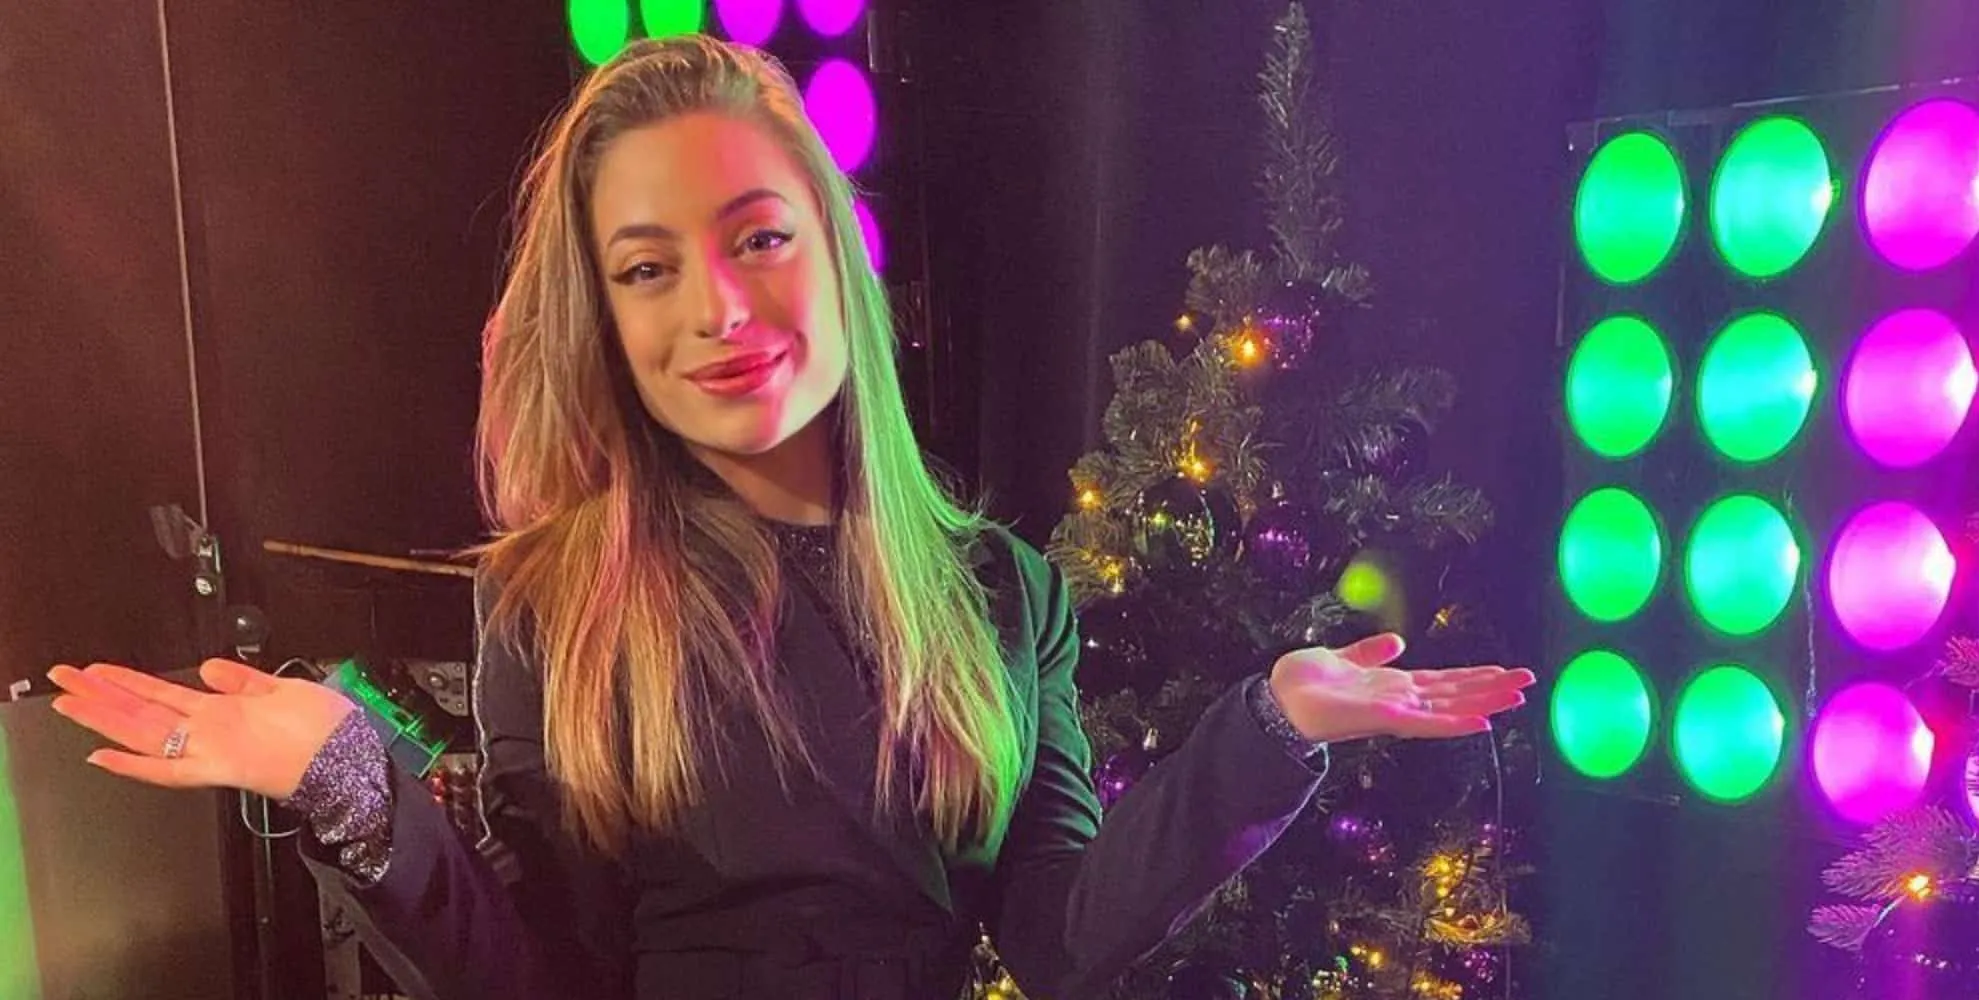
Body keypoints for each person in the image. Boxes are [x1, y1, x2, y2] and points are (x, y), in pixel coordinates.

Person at [43, 34, 1533, 1000]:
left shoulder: (1002, 593)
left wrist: (1270, 727)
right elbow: (536, 977)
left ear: (832, 252)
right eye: (647, 269)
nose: (717, 308)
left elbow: (1062, 938)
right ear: (608, 319)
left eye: (756, 237)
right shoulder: (555, 602)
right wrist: (347, 781)